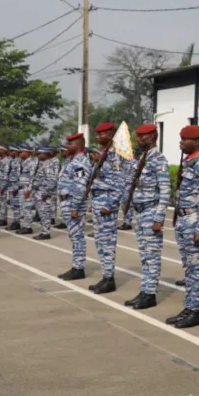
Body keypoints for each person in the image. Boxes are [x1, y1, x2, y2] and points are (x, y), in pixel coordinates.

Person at [166, 125, 199, 329]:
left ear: (196, 142)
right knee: (189, 267)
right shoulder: (190, 161)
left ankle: (196, 311)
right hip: (184, 220)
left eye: (184, 139)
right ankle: (190, 307)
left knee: (197, 268)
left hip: (195, 221)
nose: (180, 143)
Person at [123, 124, 171, 310]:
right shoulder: (143, 158)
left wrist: (158, 218)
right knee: (144, 255)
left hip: (151, 212)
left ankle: (150, 294)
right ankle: (145, 290)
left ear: (152, 137)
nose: (138, 140)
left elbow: (165, 191)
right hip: (141, 212)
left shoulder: (158, 160)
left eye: (142, 137)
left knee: (151, 255)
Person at [87, 122, 126, 295]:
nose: (97, 137)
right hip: (98, 200)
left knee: (107, 242)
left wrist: (109, 205)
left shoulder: (116, 155)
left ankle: (109, 279)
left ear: (110, 134)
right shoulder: (104, 154)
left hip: (106, 204)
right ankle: (105, 276)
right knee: (100, 242)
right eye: (97, 134)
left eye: (101, 134)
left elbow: (120, 183)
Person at [57, 133, 92, 281]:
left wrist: (75, 207)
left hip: (73, 203)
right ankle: (76, 266)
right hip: (68, 202)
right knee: (73, 236)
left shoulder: (80, 163)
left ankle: (78, 268)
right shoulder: (71, 161)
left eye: (70, 144)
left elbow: (80, 186)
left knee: (77, 236)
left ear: (79, 145)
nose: (67, 146)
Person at [32, 147, 57, 240]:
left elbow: (52, 180)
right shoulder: (43, 164)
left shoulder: (48, 165)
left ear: (45, 154)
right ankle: (44, 231)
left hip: (44, 192)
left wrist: (46, 193)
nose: (37, 155)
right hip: (39, 191)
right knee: (42, 213)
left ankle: (46, 233)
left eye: (39, 154)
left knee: (45, 213)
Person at [17, 146, 37, 235]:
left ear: (28, 153)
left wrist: (28, 190)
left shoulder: (32, 163)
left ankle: (28, 227)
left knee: (27, 208)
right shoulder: (23, 162)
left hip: (27, 189)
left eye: (22, 152)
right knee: (24, 208)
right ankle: (25, 226)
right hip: (22, 187)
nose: (20, 153)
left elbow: (32, 178)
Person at [119, 151, 138, 231]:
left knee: (129, 204)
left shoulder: (135, 163)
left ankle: (128, 223)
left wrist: (133, 186)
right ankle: (126, 221)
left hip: (130, 185)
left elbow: (137, 174)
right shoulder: (123, 162)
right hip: (123, 185)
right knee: (123, 204)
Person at [0, 145, 10, 227]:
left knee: (2, 202)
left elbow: (6, 175)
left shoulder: (6, 161)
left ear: (4, 151)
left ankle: (3, 219)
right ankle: (1, 218)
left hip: (2, 184)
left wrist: (3, 187)